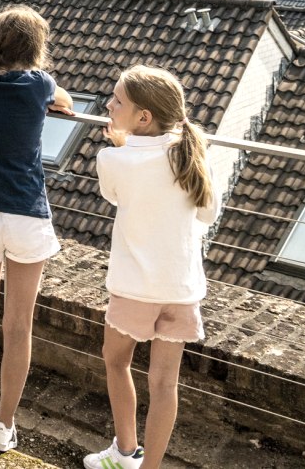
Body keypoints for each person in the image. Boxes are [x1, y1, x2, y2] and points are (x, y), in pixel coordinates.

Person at [84, 65, 218, 469]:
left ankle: (125, 452)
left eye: (118, 100)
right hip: (181, 289)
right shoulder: (191, 155)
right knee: (164, 384)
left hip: (134, 288)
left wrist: (122, 146)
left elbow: (112, 195)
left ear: (143, 117)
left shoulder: (114, 159)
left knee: (116, 360)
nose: (109, 103)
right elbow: (207, 214)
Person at [0, 5, 74, 454]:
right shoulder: (39, 85)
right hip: (25, 211)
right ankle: (3, 423)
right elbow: (61, 99)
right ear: (37, 51)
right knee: (18, 324)